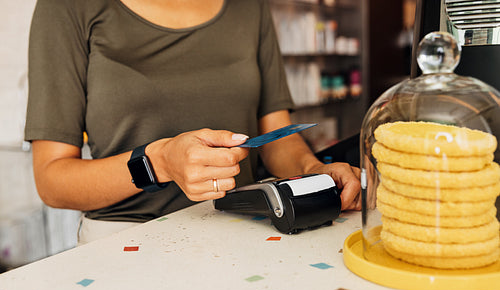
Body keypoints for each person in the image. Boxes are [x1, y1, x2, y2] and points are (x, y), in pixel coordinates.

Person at [25, 0, 361, 244]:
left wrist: (313, 170)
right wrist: (159, 162)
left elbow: (275, 134)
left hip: (242, 230)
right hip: (124, 242)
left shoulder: (251, 7)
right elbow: (52, 180)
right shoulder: (65, 8)